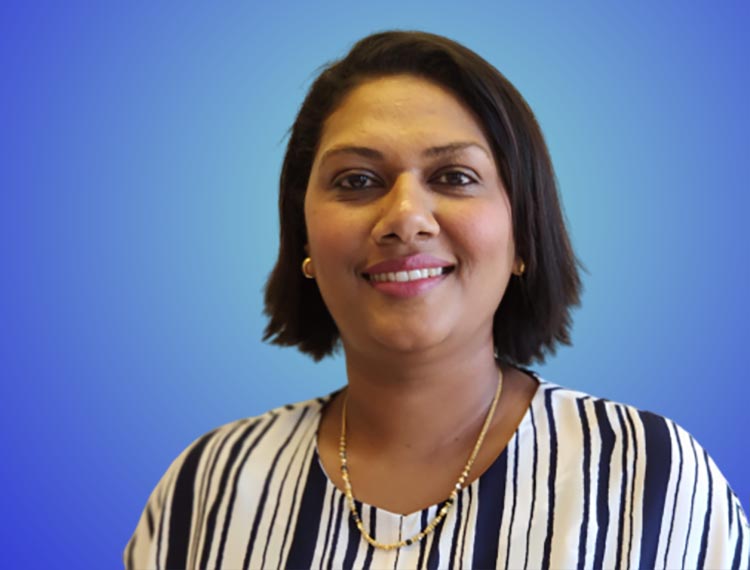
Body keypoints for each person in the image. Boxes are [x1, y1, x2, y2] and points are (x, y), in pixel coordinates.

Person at [124, 31, 749, 569]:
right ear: (304, 236)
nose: (406, 218)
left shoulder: (649, 474)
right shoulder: (206, 487)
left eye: (454, 177)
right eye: (357, 180)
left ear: (522, 233)